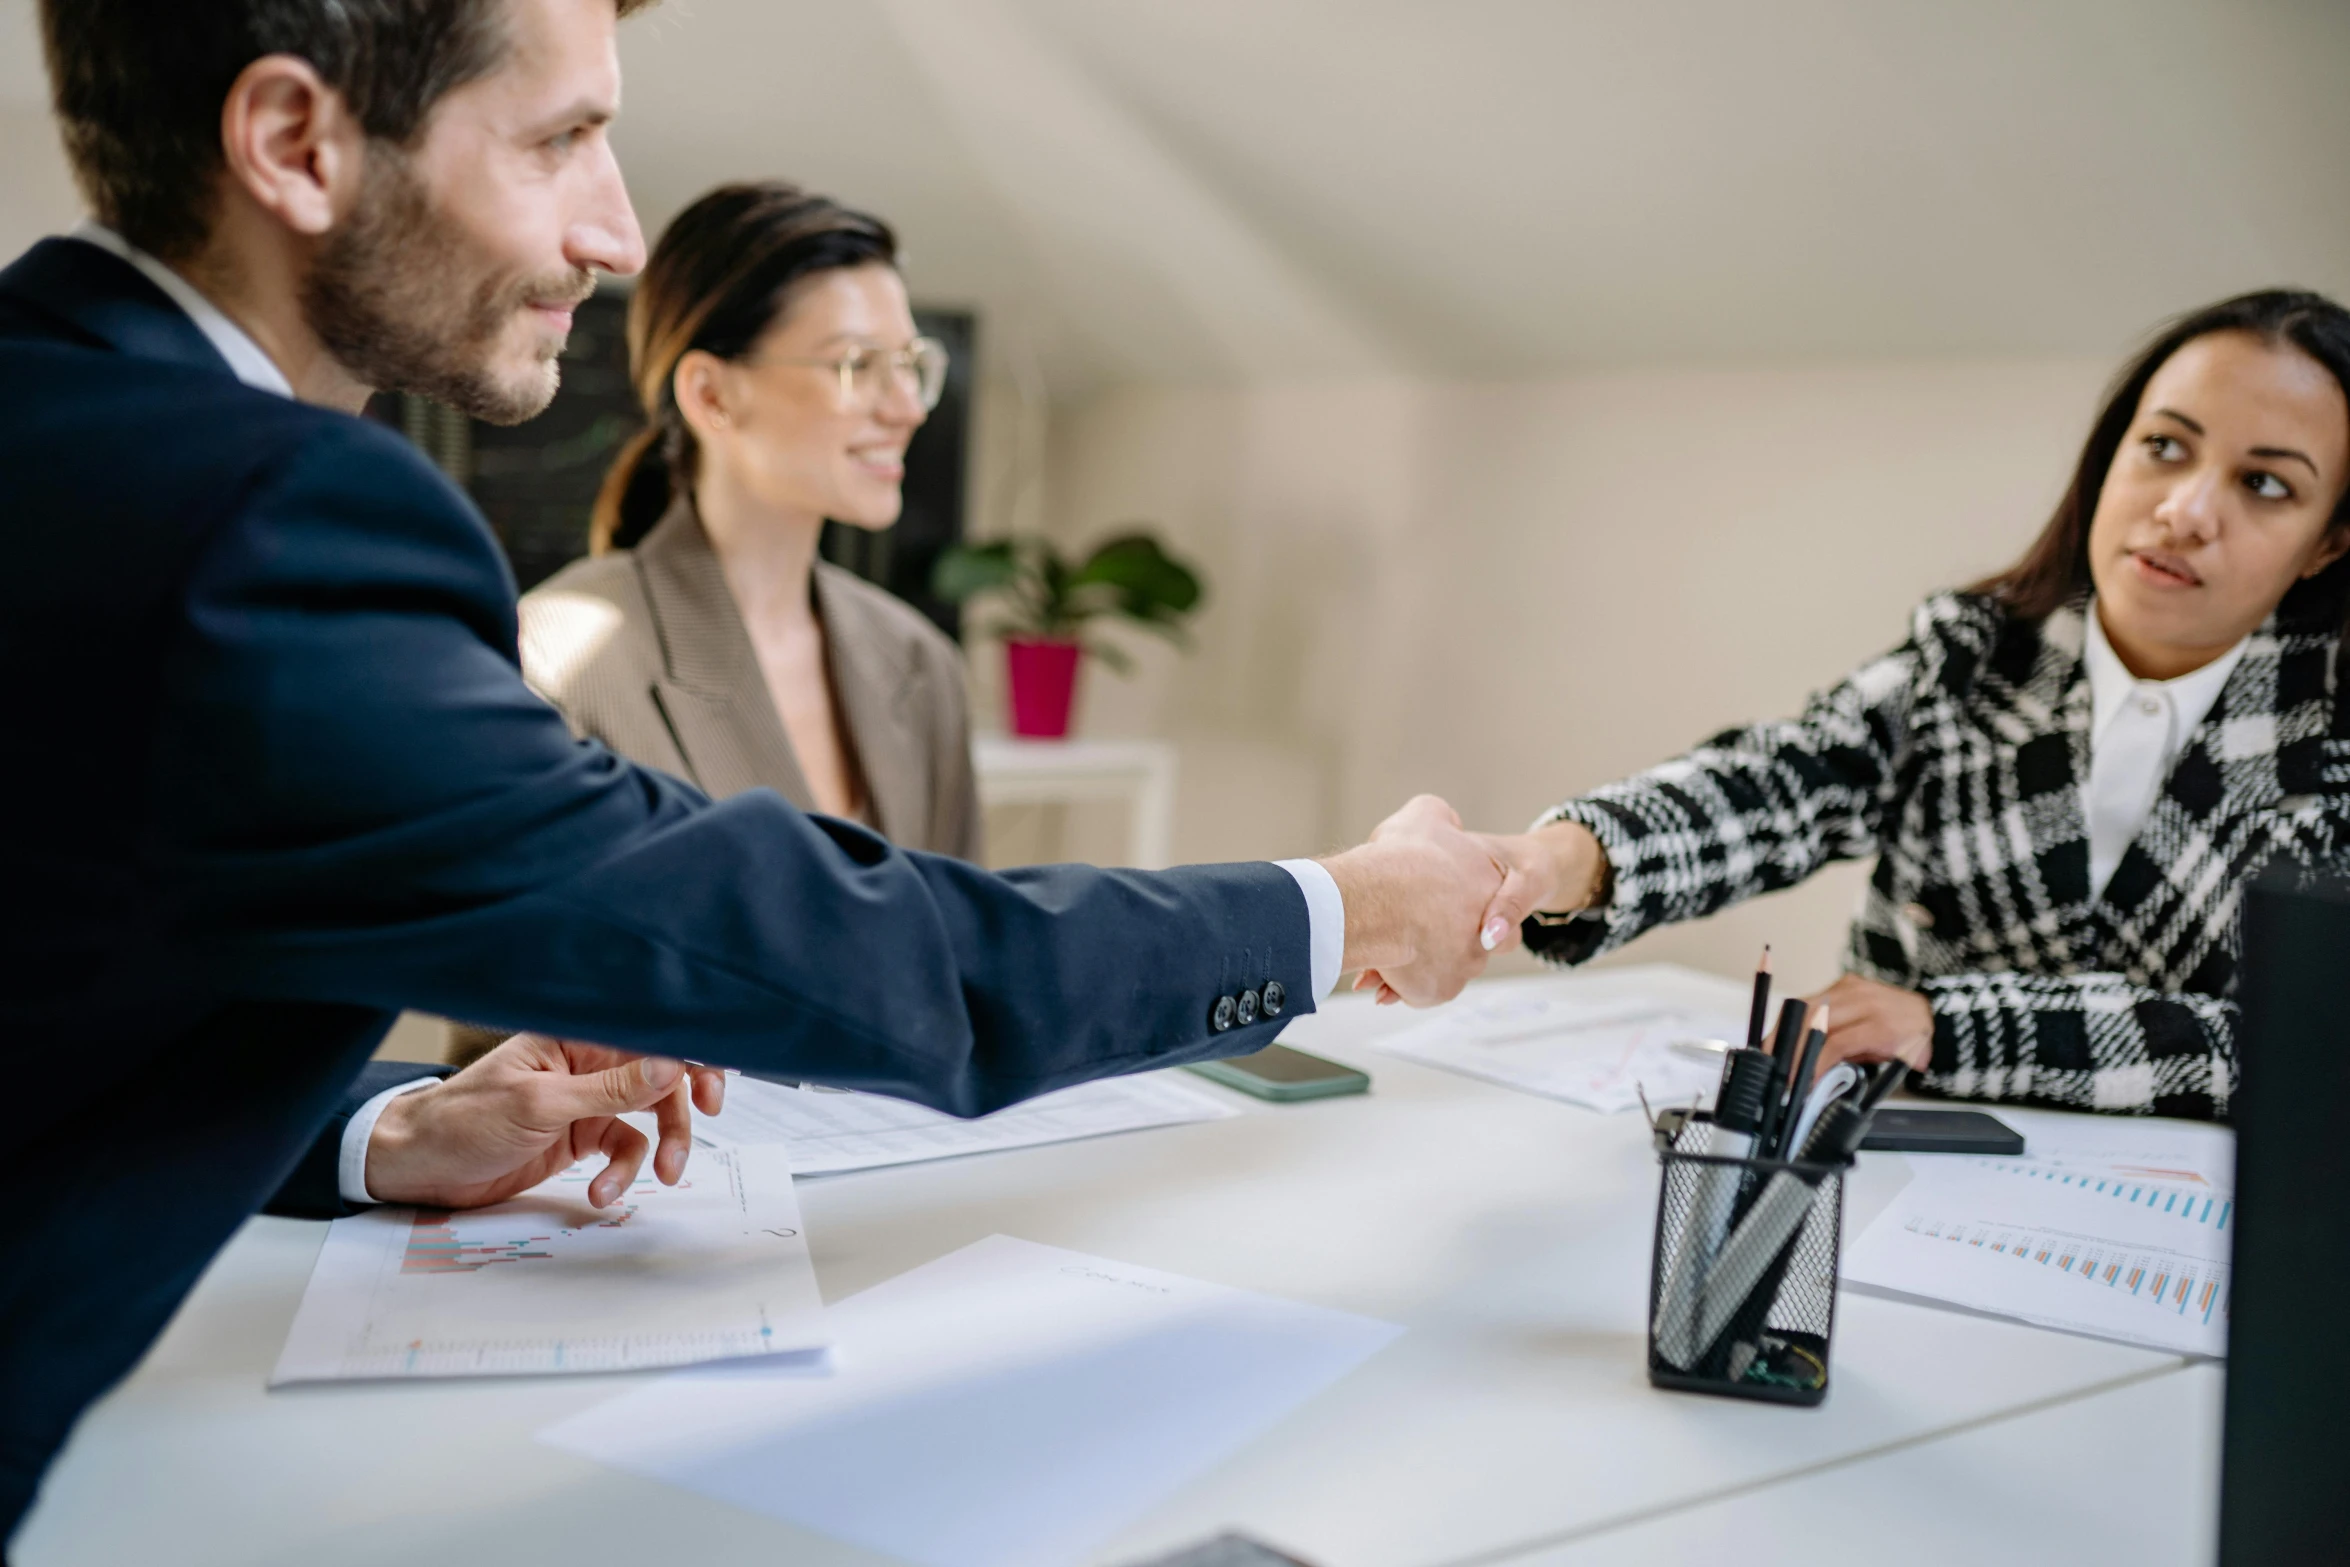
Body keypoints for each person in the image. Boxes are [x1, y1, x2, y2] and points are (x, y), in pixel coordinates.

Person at [0, 0, 1504, 1544]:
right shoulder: (269, 533)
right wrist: (1347, 906)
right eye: (561, 139)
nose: (616, 230)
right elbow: (860, 943)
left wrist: (385, 1132)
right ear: (295, 145)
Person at [1453, 289, 2350, 1122]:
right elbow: (1779, 783)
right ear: (2111, 454)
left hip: (2177, 1245)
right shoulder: (1968, 659)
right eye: (2165, 446)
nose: (2186, 510)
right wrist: (1564, 856)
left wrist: (1945, 1026)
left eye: (2265, 484)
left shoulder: (2328, 749)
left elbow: (2302, 1046)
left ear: (2327, 543)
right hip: (1880, 1172)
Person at [444, 182, 979, 1067]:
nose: (907, 406)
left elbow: (965, 965)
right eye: (857, 365)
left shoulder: (920, 663)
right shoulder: (559, 657)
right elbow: (506, 1033)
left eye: (910, 363)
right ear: (712, 395)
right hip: (647, 1176)